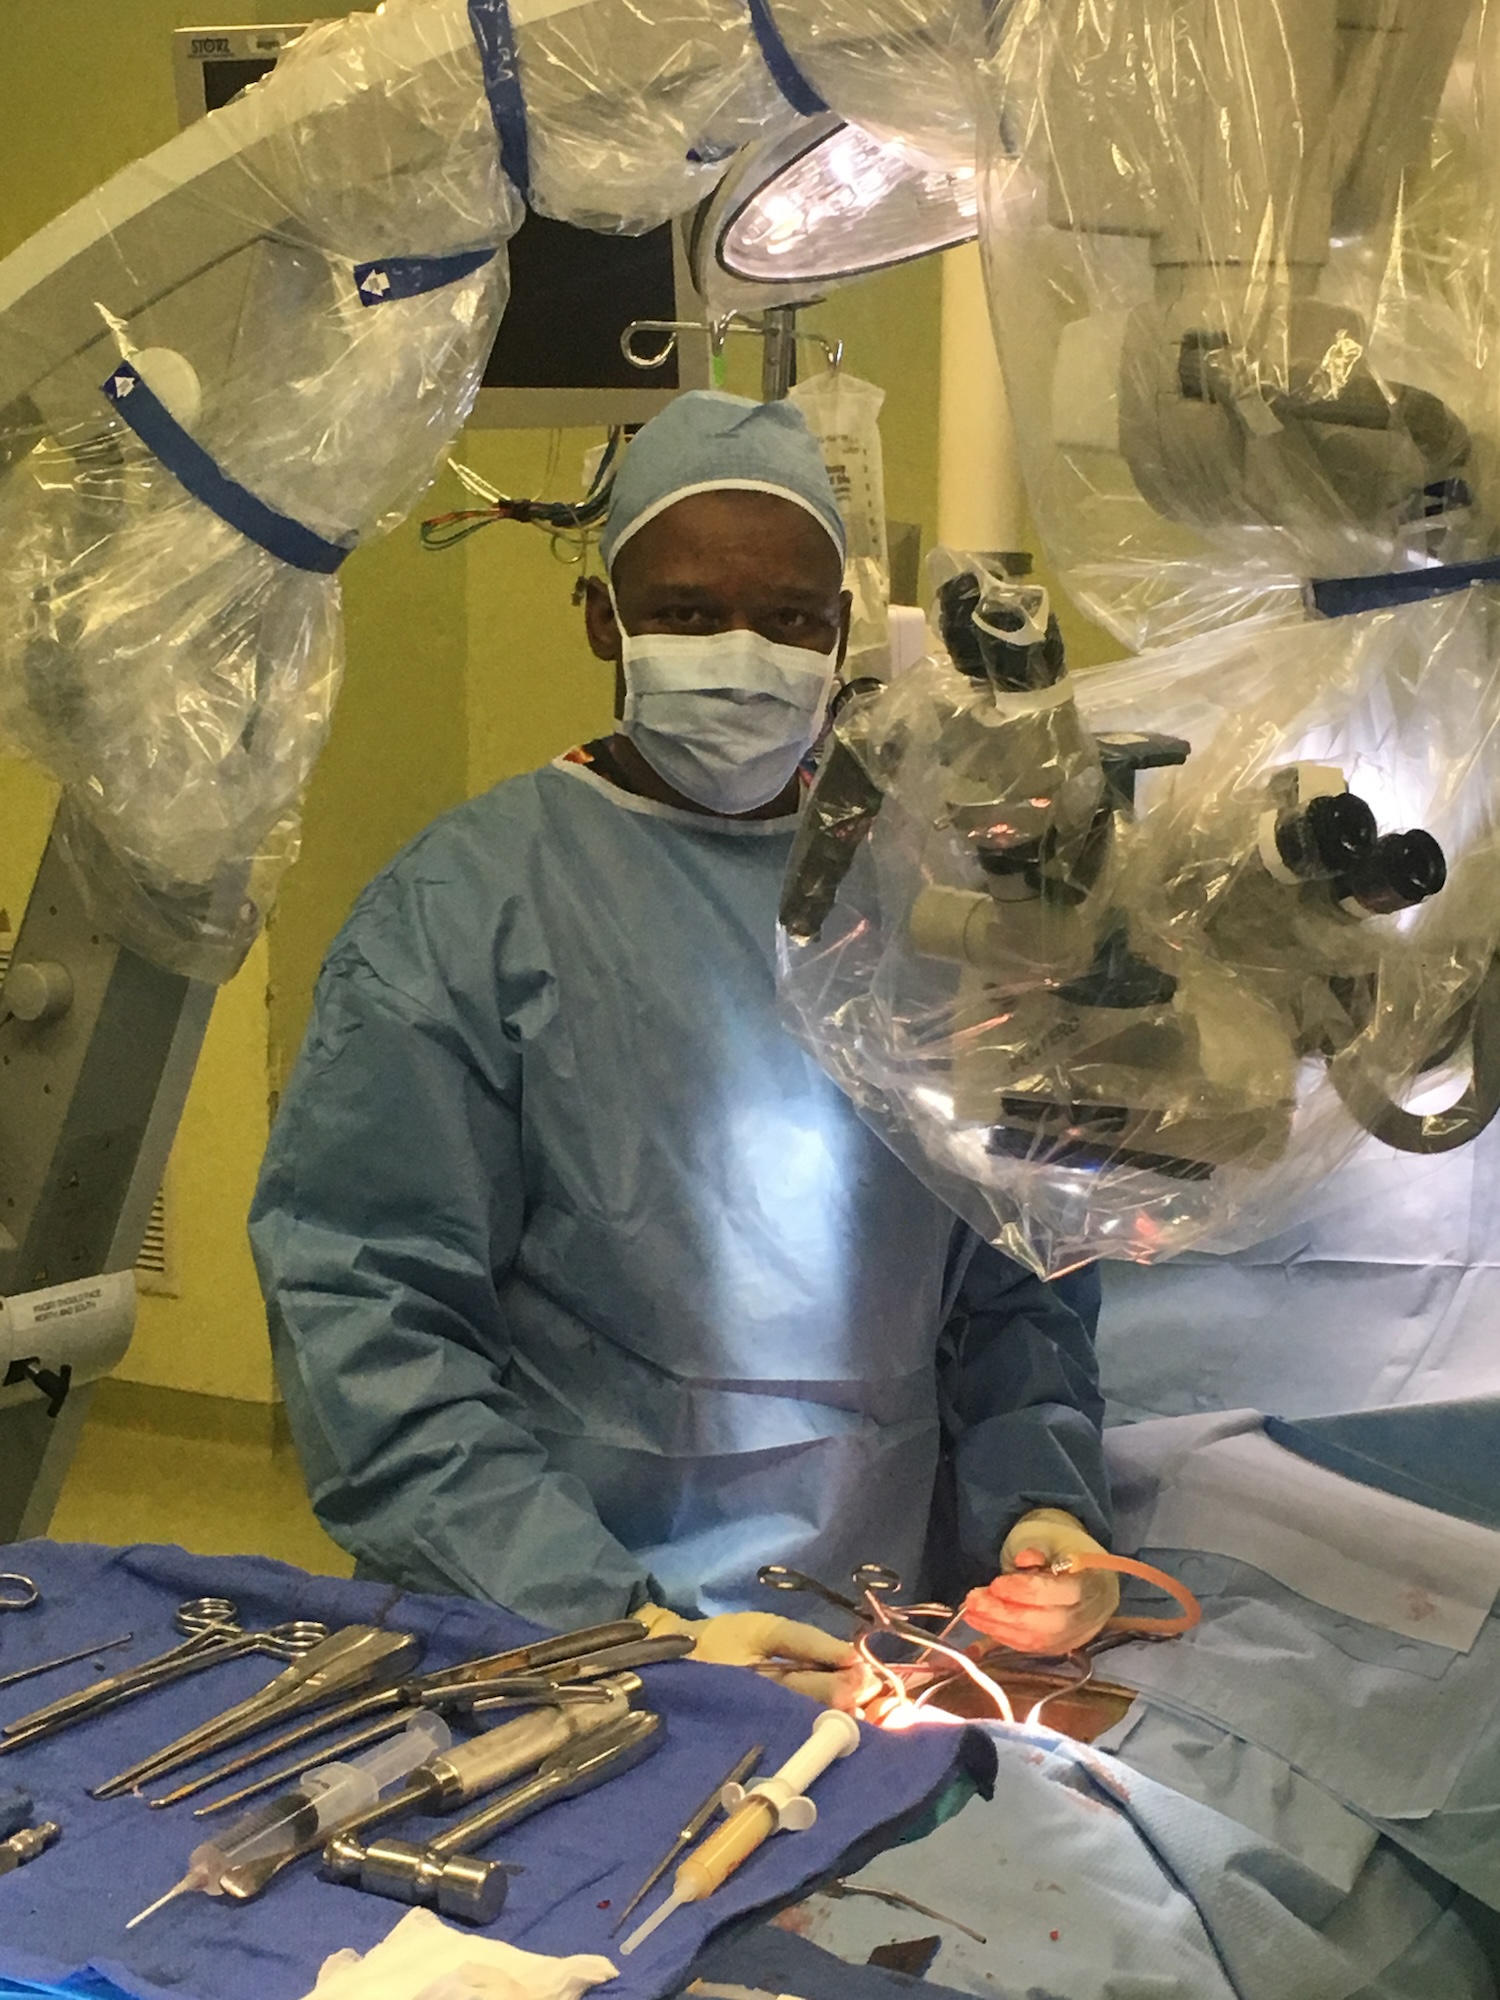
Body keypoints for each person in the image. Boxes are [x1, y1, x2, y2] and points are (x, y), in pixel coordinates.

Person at [249, 390, 1119, 1701]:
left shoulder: (926, 901)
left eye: (792, 620)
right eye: (688, 614)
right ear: (602, 617)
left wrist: (1041, 1508)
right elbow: (369, 1323)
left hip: (884, 1618)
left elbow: (1013, 1268)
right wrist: (624, 1630)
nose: (743, 654)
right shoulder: (468, 909)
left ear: (842, 632)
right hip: (561, 1638)